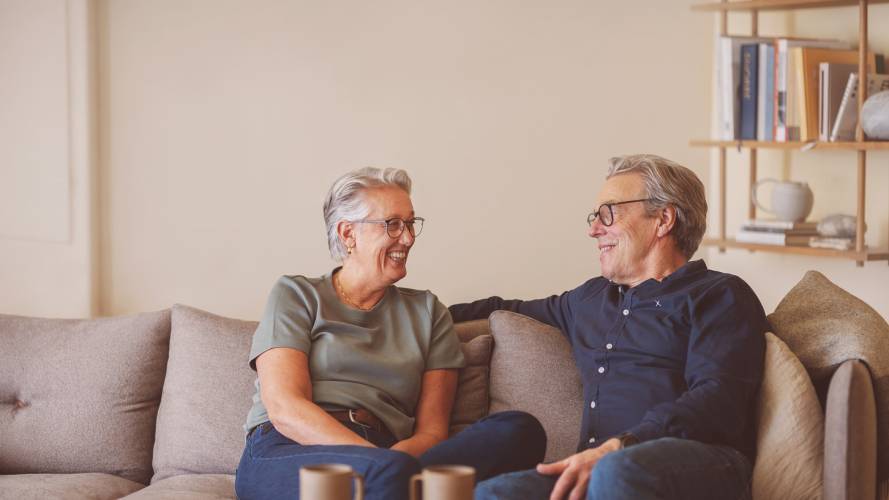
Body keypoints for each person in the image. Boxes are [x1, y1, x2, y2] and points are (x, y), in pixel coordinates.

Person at [450, 154, 768, 500]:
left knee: (618, 470)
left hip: (699, 463)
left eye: (609, 212)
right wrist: (408, 310)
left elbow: (717, 399)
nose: (593, 229)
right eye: (595, 216)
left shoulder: (718, 294)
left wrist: (620, 446)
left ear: (663, 219)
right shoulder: (590, 299)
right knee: (498, 493)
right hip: (597, 469)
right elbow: (503, 308)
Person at [234, 167, 545, 500]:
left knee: (519, 430)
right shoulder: (296, 294)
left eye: (411, 223)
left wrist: (389, 460)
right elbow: (286, 407)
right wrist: (379, 461)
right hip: (290, 449)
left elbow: (432, 430)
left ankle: (392, 486)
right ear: (348, 234)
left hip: (394, 457)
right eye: (392, 224)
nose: (408, 238)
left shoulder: (429, 312)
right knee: (392, 475)